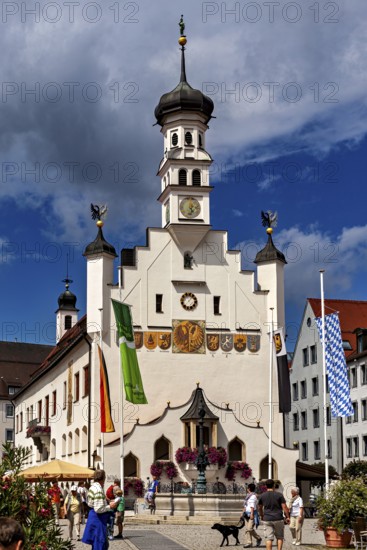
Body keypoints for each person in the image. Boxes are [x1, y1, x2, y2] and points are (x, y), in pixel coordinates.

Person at [82, 470, 117, 550]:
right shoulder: (98, 489)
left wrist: (107, 502)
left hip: (94, 517)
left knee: (97, 544)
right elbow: (98, 509)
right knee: (100, 544)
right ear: (103, 478)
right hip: (98, 519)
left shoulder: (92, 487)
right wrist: (110, 506)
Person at [258, 479, 290, 550]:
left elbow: (260, 508)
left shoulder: (262, 496)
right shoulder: (279, 495)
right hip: (278, 518)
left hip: (267, 518)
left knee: (269, 538)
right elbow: (284, 507)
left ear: (266, 486)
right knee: (280, 537)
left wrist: (262, 516)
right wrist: (288, 517)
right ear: (274, 485)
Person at [242, 483, 262, 548]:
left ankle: (258, 538)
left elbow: (252, 506)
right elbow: (246, 505)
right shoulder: (248, 496)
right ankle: (249, 543)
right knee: (247, 529)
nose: (247, 489)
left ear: (249, 489)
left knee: (249, 529)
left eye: (248, 488)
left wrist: (252, 514)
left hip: (251, 514)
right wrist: (243, 512)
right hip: (247, 514)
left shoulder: (253, 496)